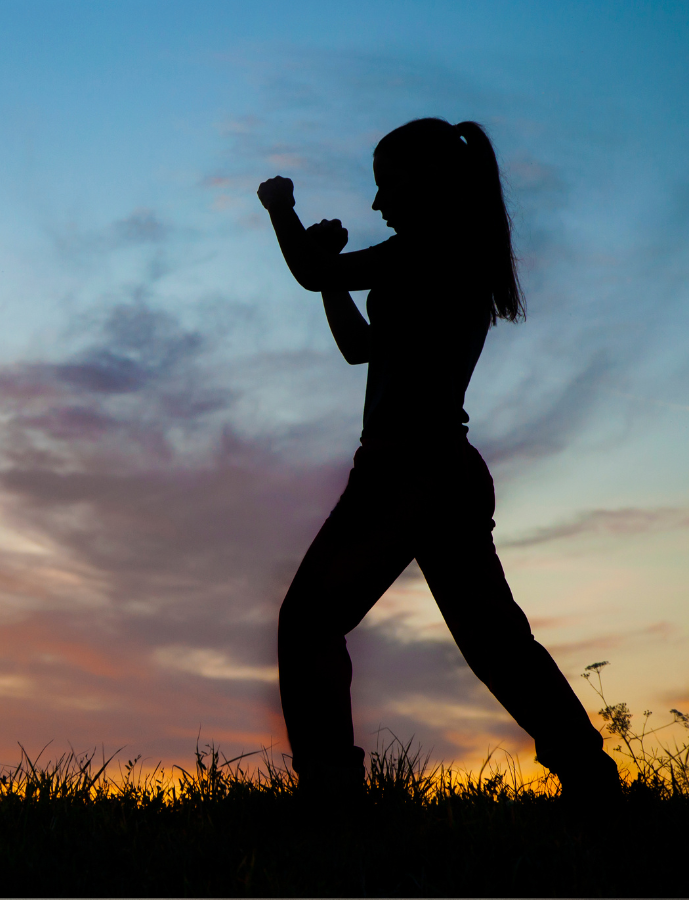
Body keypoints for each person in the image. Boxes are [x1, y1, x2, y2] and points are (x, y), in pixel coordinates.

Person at [257, 118, 620, 805]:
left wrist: (282, 208)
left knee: (309, 621)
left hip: (408, 470)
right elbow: (360, 348)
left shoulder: (430, 251)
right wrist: (334, 277)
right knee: (496, 643)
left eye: (388, 185)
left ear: (432, 180)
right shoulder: (439, 256)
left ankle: (331, 799)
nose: (376, 204)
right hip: (440, 472)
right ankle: (593, 783)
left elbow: (309, 272)